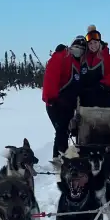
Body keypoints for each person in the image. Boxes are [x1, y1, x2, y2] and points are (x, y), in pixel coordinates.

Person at [42, 35, 88, 166]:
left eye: (81, 48)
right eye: (76, 47)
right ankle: (62, 157)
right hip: (55, 103)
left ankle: (57, 156)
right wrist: (50, 97)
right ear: (71, 46)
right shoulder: (62, 57)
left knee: (63, 130)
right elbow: (51, 77)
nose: (78, 50)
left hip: (68, 106)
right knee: (62, 129)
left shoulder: (78, 63)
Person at [77, 24, 110, 109]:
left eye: (95, 42)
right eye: (90, 43)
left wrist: (103, 84)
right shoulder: (83, 60)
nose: (93, 45)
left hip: (107, 104)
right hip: (87, 106)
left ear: (99, 42)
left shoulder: (109, 59)